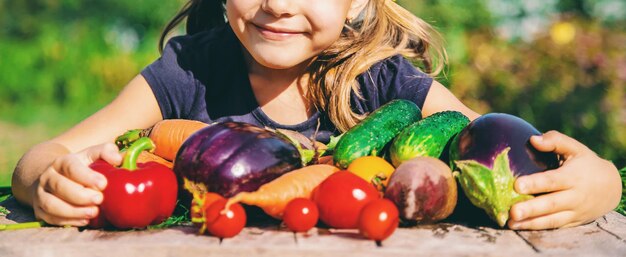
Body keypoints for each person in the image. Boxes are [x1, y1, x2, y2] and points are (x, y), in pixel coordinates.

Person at [11, 0, 621, 230]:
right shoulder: (186, 72)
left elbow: (492, 147)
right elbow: (44, 154)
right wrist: (46, 181)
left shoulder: (385, 81)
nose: (277, 4)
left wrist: (602, 183)